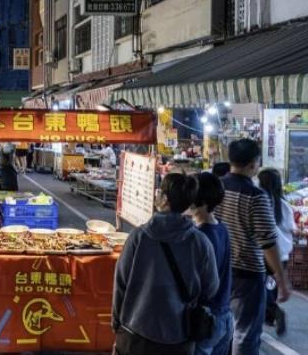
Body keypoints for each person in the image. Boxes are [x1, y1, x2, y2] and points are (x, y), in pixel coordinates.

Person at [112, 173, 219, 355]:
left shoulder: (139, 237)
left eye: (159, 191)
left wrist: (116, 323)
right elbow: (211, 289)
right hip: (179, 337)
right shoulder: (201, 242)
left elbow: (120, 283)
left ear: (164, 199)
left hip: (136, 334)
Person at [214, 139, 290, 354]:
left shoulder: (217, 187)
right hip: (248, 272)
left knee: (222, 326)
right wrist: (281, 279)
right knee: (245, 333)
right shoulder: (256, 196)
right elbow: (267, 241)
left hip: (219, 268)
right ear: (253, 164)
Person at [191, 172, 233, 355]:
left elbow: (200, 284)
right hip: (224, 316)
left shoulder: (200, 237)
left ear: (202, 200)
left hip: (207, 321)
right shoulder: (221, 228)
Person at [258, 168, 295, 336]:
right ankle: (270, 314)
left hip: (265, 252)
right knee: (270, 286)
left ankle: (273, 312)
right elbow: (291, 228)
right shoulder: (284, 205)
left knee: (261, 286)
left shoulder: (261, 202)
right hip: (283, 254)